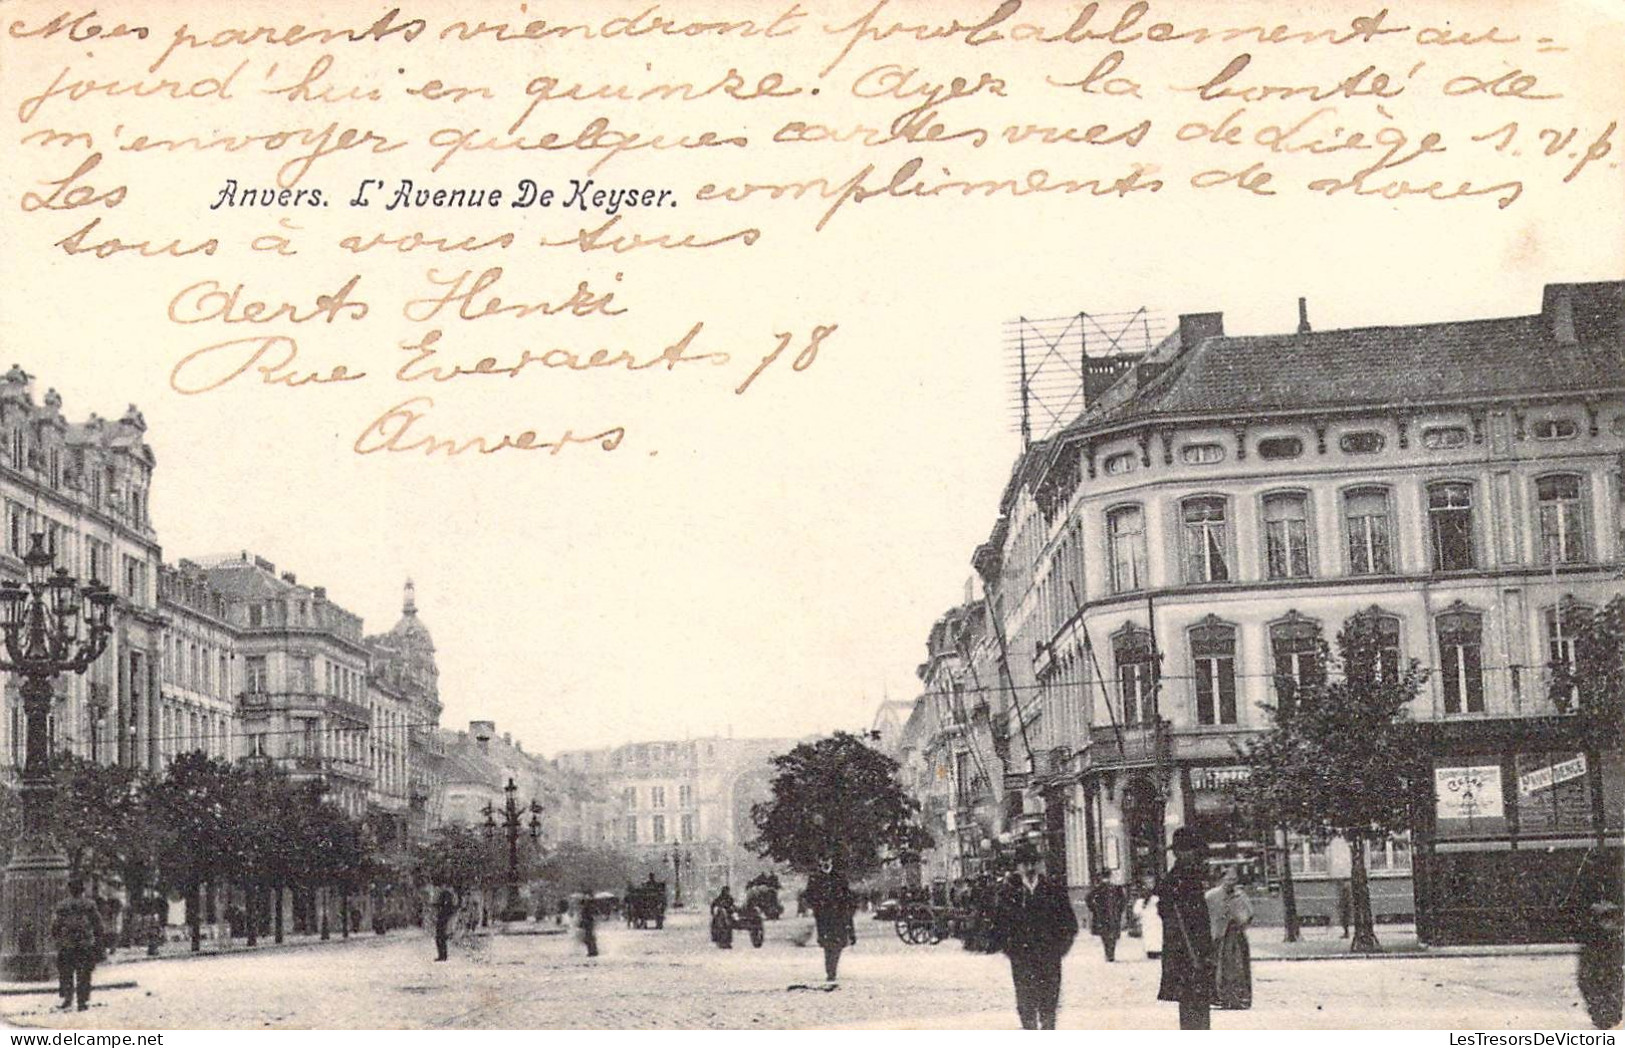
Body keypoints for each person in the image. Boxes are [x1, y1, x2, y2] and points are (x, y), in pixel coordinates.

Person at [990, 840, 1078, 1030]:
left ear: (1039, 864)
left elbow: (1069, 924)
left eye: (1033, 863)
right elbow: (1000, 926)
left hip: (1049, 956)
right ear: (1018, 867)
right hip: (1022, 957)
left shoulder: (1053, 890)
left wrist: (1059, 949)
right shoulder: (1009, 893)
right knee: (1025, 1000)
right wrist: (1011, 949)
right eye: (1024, 864)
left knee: (1049, 1000)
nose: (1029, 868)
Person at [1158, 828, 1215, 1030]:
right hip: (1188, 952)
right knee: (1193, 1005)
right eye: (1193, 851)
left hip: (1194, 950)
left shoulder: (1188, 876)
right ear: (1181, 853)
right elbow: (1174, 918)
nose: (1197, 856)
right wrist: (1197, 953)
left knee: (1196, 1005)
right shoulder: (1180, 879)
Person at [1572, 846, 1623, 1029]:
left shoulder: (1587, 883)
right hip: (1603, 936)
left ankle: (1605, 1013)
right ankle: (1608, 1012)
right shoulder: (1613, 881)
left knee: (1596, 976)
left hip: (1598, 937)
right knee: (1608, 975)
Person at [50, 878, 104, 1012]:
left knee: (66, 973)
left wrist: (57, 938)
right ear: (82, 890)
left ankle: (68, 999)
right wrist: (98, 940)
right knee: (84, 974)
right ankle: (82, 1001)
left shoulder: (62, 905)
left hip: (67, 943)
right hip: (85, 943)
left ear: (69, 890)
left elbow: (56, 925)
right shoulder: (89, 904)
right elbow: (98, 924)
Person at [1205, 868, 1253, 1010]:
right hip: (1218, 937)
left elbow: (1249, 913)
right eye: (1228, 879)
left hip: (1236, 938)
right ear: (1221, 880)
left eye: (1234, 879)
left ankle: (1239, 998)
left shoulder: (1240, 896)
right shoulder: (1211, 896)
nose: (1231, 883)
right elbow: (1207, 915)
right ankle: (1220, 997)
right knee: (1219, 968)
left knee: (1238, 968)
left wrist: (1240, 920)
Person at [804, 857, 858, 983]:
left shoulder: (840, 877)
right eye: (823, 861)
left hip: (839, 915)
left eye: (828, 861)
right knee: (827, 944)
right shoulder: (814, 879)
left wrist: (846, 909)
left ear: (831, 863)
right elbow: (809, 896)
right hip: (823, 917)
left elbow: (847, 896)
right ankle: (830, 970)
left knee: (838, 943)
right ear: (820, 863)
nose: (825, 864)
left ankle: (832, 970)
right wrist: (817, 906)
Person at [1086, 871, 1127, 962]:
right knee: (1111, 935)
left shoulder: (1099, 888)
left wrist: (1094, 909)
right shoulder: (1115, 888)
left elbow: (1088, 899)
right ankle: (1110, 954)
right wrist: (1119, 910)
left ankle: (1109, 954)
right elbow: (1123, 900)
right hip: (1111, 915)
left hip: (1104, 915)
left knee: (1106, 935)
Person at [1325, 836, 1353, 938]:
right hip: (1347, 877)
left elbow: (1328, 859)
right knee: (1346, 906)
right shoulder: (1347, 842)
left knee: (1343, 906)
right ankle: (1346, 930)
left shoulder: (1333, 843)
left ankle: (1346, 930)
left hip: (1340, 878)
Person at [1133, 874, 1163, 960]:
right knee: (1151, 934)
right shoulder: (1143, 897)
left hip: (1154, 918)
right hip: (1149, 918)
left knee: (1155, 934)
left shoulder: (1157, 895)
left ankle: (1154, 950)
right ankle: (1152, 950)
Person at [432, 886, 457, 962]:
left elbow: (438, 906)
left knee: (440, 937)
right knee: (441, 938)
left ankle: (442, 955)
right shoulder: (448, 895)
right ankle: (443, 955)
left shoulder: (445, 895)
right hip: (443, 919)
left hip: (442, 919)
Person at [577, 892, 599, 958]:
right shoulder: (589, 907)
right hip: (588, 924)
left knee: (588, 938)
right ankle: (593, 951)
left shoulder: (587, 908)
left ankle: (592, 951)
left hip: (588, 924)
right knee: (589, 938)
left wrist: (582, 923)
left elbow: (586, 916)